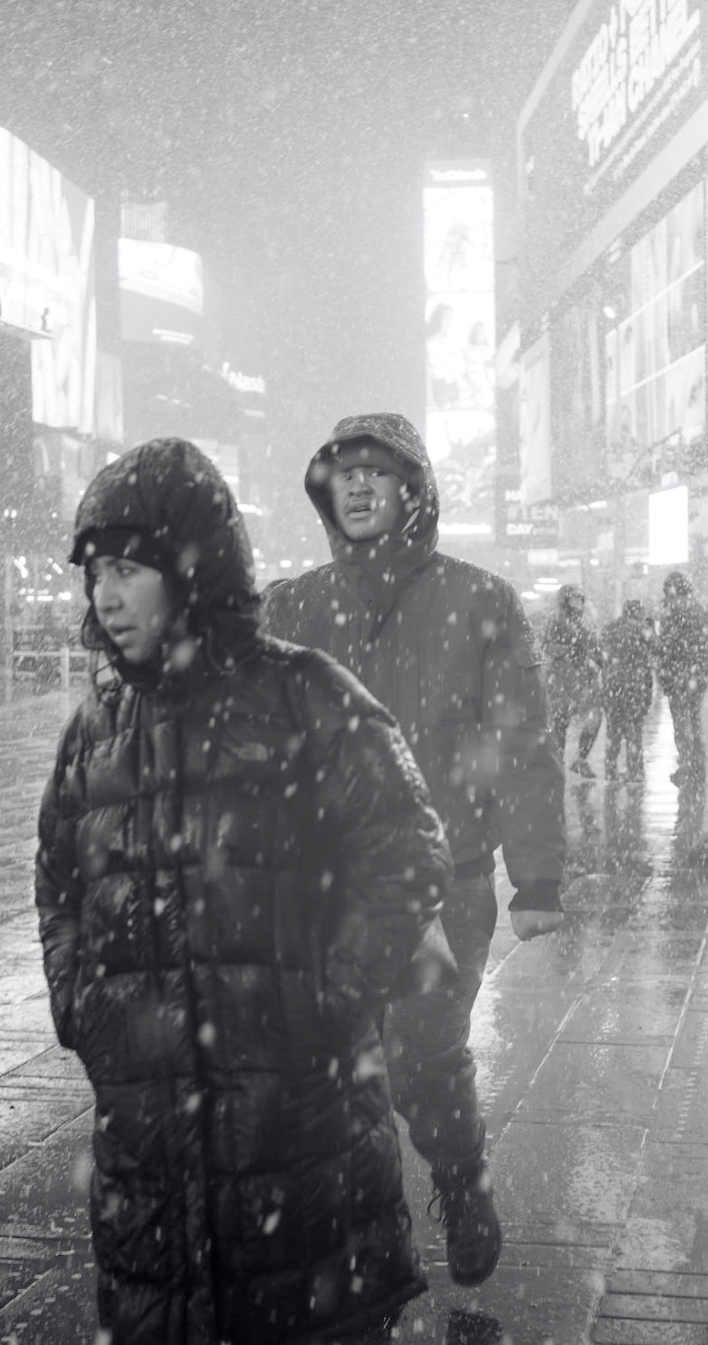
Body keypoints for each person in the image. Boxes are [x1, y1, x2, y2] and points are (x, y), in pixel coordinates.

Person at [38, 438, 452, 1345]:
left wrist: (329, 999)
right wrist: (83, 1006)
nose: (107, 594)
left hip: (302, 1141)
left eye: (131, 568)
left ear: (192, 569)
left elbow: (407, 850)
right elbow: (59, 879)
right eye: (97, 570)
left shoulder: (303, 697)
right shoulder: (95, 732)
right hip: (147, 1157)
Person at [263, 412, 566, 1288]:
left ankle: (460, 1176)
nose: (357, 486)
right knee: (333, 1072)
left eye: (378, 472)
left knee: (421, 1059)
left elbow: (523, 744)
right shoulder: (294, 606)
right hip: (324, 887)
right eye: (343, 473)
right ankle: (372, 1228)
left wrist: (536, 872)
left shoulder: (480, 600)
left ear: (413, 492)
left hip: (444, 884)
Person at [657, 571, 708, 786]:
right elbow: (706, 644)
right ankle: (698, 764)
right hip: (696, 674)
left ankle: (687, 764)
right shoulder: (700, 608)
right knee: (694, 719)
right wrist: (700, 672)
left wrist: (666, 674)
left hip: (679, 674)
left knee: (681, 721)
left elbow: (667, 647)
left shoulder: (673, 611)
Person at [543, 585, 605, 777]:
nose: (578, 603)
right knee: (560, 724)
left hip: (583, 679)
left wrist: (601, 659)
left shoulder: (585, 622)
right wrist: (569, 651)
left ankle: (581, 759)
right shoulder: (555, 621)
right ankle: (557, 761)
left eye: (580, 599)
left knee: (593, 718)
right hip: (561, 678)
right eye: (574, 599)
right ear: (565, 601)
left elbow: (594, 645)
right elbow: (548, 646)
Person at [600, 599, 655, 784]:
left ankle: (610, 770)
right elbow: (656, 649)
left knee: (613, 730)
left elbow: (603, 656)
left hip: (612, 687)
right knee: (634, 730)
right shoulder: (642, 630)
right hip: (635, 687)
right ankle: (635, 771)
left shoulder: (610, 629)